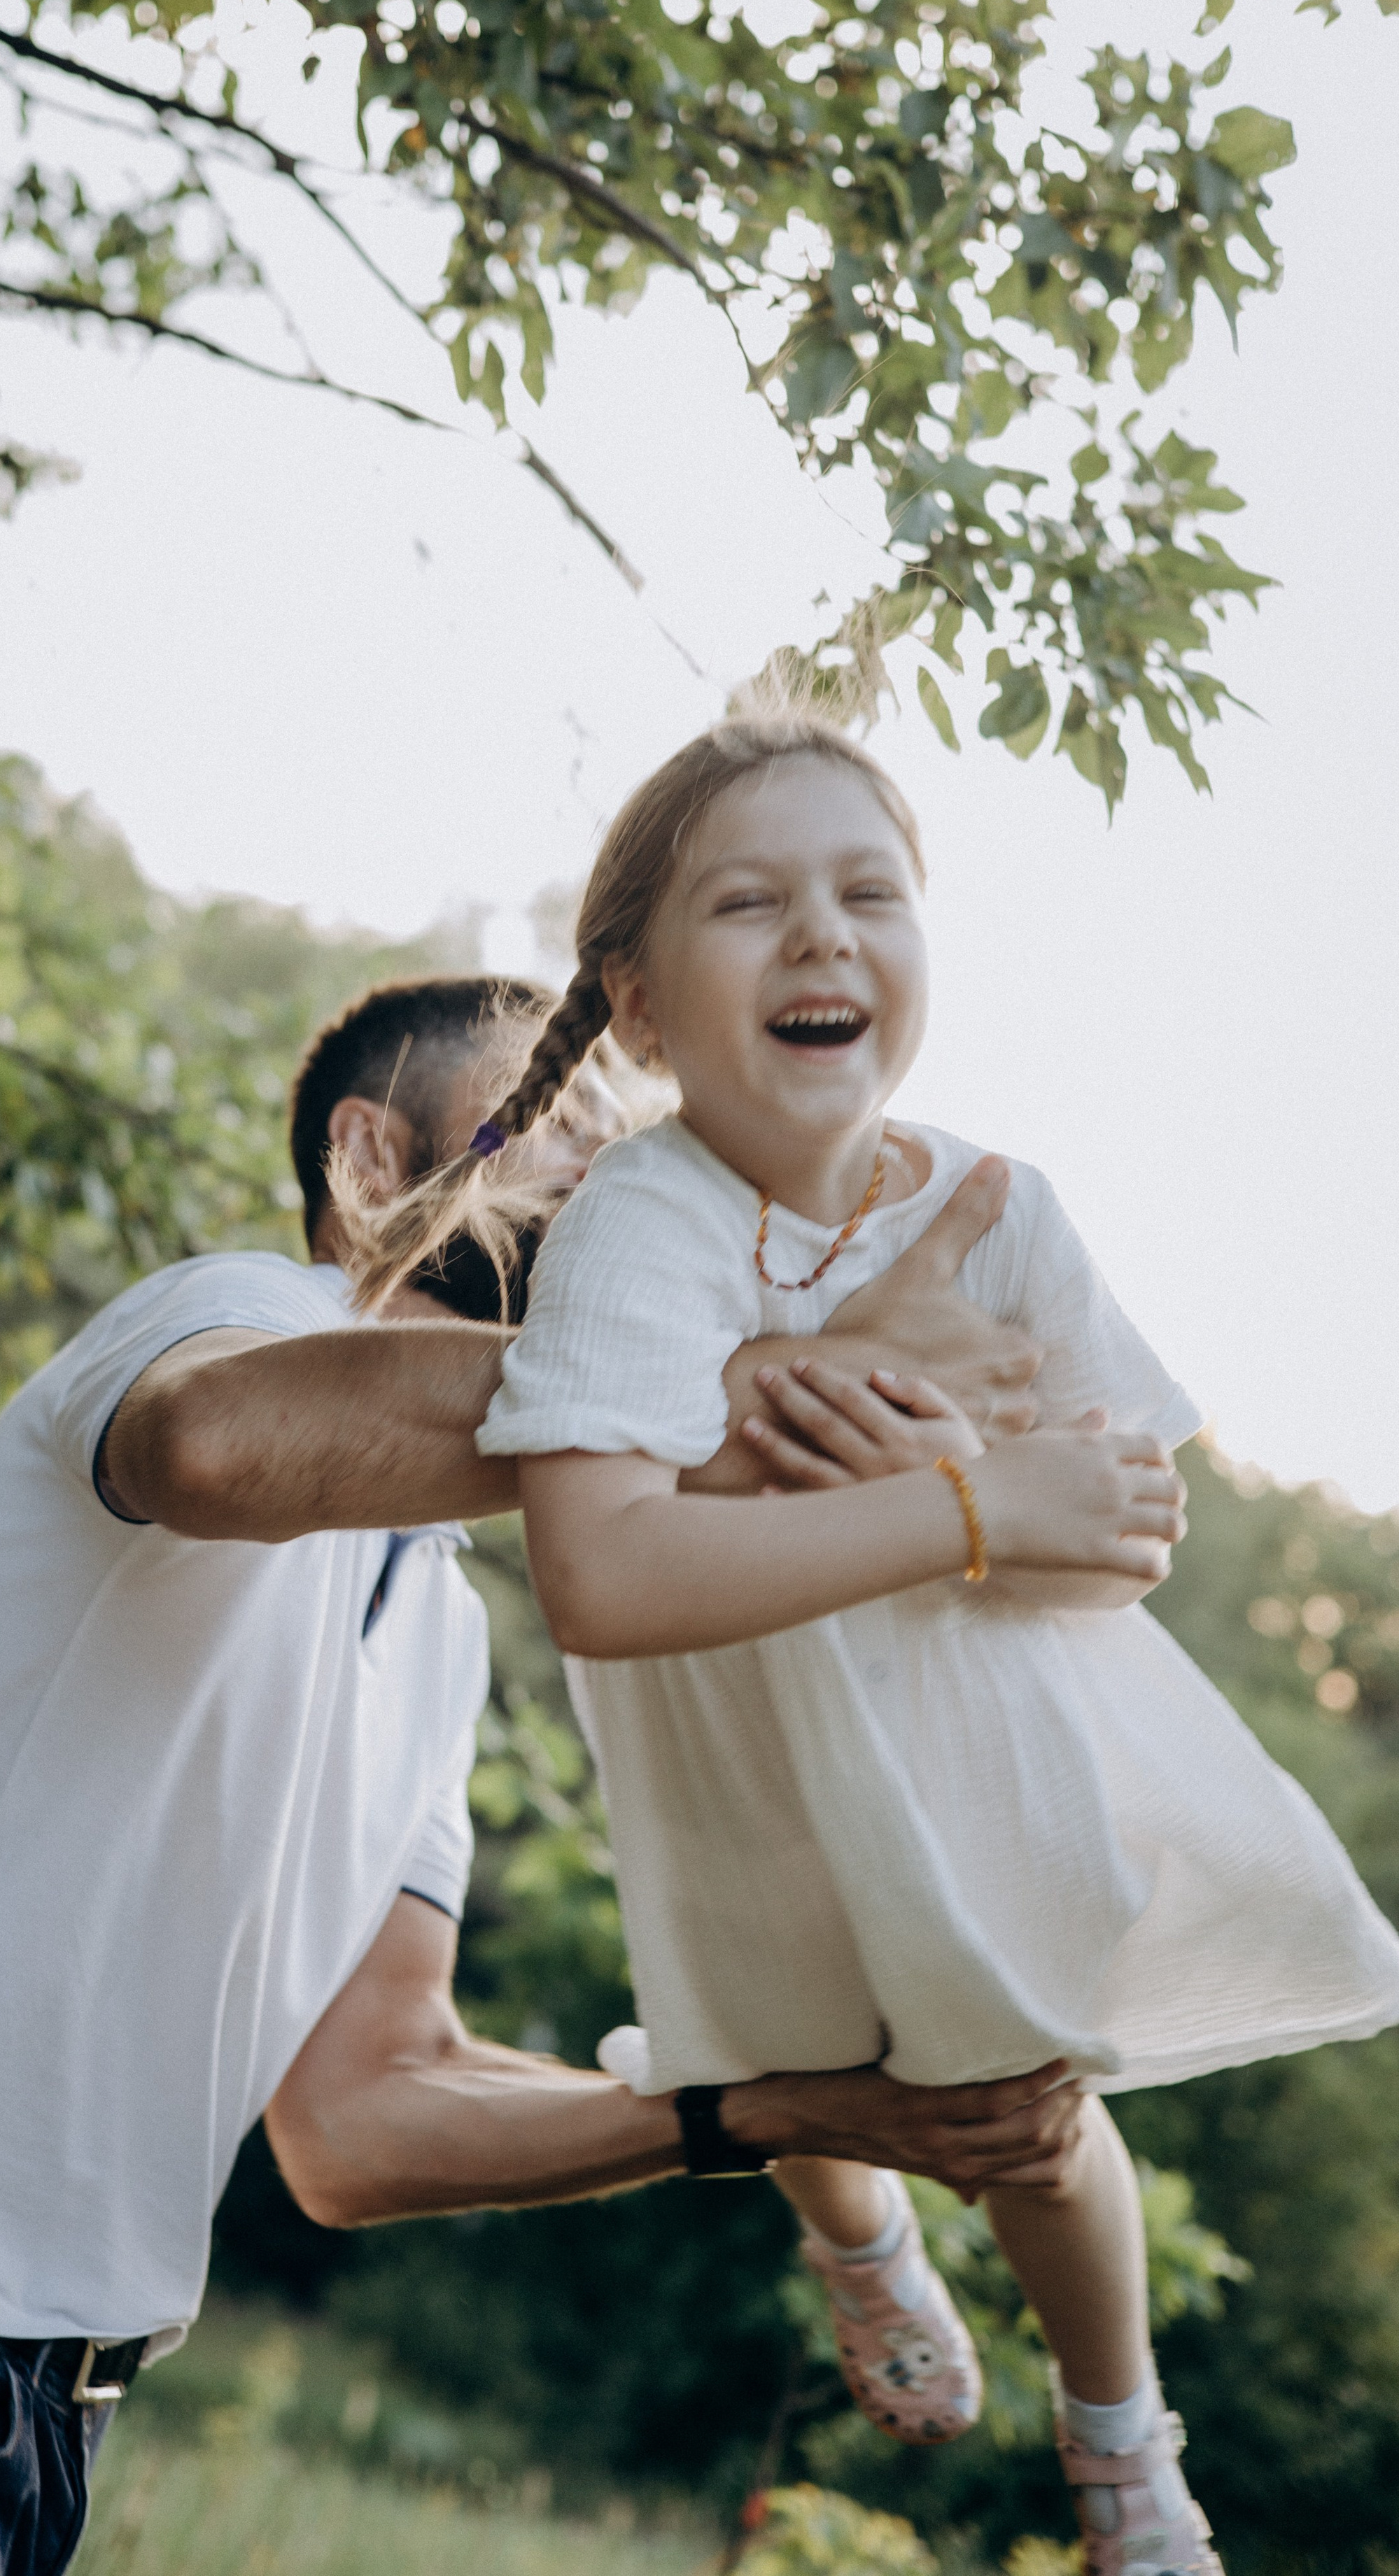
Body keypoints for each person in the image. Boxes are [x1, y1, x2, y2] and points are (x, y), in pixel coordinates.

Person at [0, 970, 1078, 2575]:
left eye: (625, 1148)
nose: (604, 1178)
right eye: (556, 1128)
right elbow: (212, 1447)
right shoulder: (232, 1311)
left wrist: (784, 2112)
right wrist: (720, 1396)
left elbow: (367, 2116)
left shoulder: (439, 1623)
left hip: (38, 2410)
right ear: (372, 1167)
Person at [342, 699, 1399, 2576]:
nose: (826, 935)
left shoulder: (1002, 1207)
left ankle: (1122, 2446)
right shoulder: (644, 1227)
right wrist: (969, 1501)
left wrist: (1036, 1511)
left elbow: (1129, 1531)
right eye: (753, 903)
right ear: (644, 1009)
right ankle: (858, 2240)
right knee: (773, 2047)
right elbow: (604, 1576)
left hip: (980, 1725)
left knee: (1027, 2104)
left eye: (872, 893)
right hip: (739, 1745)